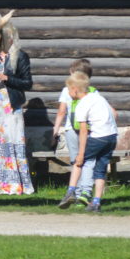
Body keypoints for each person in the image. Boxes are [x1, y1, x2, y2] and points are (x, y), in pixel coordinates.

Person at [0, 24, 34, 195]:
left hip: (11, 106)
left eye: (5, 37)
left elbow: (27, 83)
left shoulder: (20, 57)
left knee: (11, 141)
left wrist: (7, 78)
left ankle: (15, 184)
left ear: (12, 39)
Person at [58, 72, 117, 212]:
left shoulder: (81, 105)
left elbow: (83, 132)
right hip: (112, 137)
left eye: (68, 89)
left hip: (98, 138)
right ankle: (96, 202)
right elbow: (113, 114)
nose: (68, 92)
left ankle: (70, 192)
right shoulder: (98, 97)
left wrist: (81, 153)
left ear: (74, 89)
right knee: (100, 169)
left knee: (79, 162)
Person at [52, 59, 96, 206]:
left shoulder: (67, 90)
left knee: (75, 162)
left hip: (71, 130)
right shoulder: (93, 91)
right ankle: (85, 193)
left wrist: (55, 130)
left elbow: (61, 112)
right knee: (88, 160)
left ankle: (76, 194)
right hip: (89, 131)